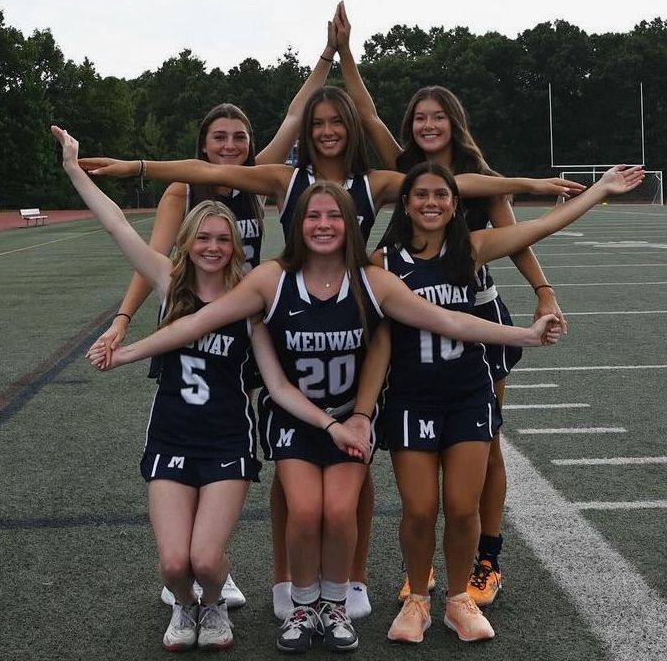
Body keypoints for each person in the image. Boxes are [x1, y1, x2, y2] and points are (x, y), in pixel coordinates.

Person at [79, 85, 583, 620]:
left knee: (356, 459)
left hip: (357, 310)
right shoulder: (284, 179)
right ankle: (286, 580)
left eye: (336, 121)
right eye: (317, 121)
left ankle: (355, 580)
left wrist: (527, 182)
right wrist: (135, 165)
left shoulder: (375, 185)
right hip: (293, 306)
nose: (326, 130)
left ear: (351, 129)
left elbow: (455, 184)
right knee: (289, 460)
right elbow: (206, 172)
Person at [51, 127, 370, 653]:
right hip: (172, 435)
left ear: (235, 245)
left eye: (223, 239)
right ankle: (185, 603)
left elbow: (279, 387)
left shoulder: (251, 303)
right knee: (175, 565)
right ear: (188, 242)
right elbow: (116, 228)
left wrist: (332, 424)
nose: (213, 247)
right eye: (203, 238)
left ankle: (215, 599)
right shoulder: (167, 283)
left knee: (204, 560)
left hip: (226, 439)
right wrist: (73, 169)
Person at [91, 33, 339, 611]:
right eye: (219, 137)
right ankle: (197, 565)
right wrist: (125, 320)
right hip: (193, 318)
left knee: (240, 425)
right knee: (190, 421)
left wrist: (328, 57)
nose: (231, 145)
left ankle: (215, 555)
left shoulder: (260, 177)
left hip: (250, 327)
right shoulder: (186, 186)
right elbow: (154, 258)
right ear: (202, 143)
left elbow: (298, 113)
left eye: (240, 137)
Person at [348, 160, 644, 644]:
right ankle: (418, 597)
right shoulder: (382, 262)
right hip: (411, 400)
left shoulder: (473, 249)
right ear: (405, 204)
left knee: (464, 509)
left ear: (454, 204)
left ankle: (458, 598)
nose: (431, 203)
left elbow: (541, 226)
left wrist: (600, 190)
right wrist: (363, 409)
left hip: (468, 395)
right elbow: (378, 339)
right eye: (420, 195)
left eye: (441, 195)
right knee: (420, 509)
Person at [333, 0, 568, 605]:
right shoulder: (404, 168)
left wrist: (542, 290)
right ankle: (424, 569)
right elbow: (366, 111)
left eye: (437, 118)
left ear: (453, 123)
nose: (426, 126)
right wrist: (345, 54)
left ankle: (487, 557)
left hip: (480, 317)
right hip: (410, 314)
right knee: (416, 431)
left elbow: (514, 238)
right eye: (420, 119)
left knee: (483, 443)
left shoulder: (475, 172)